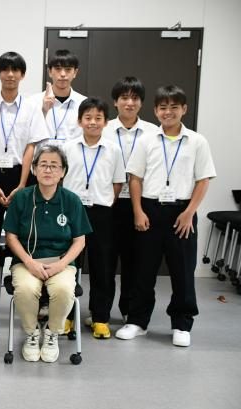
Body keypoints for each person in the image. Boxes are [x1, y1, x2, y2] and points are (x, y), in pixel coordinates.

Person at [116, 85, 216, 347]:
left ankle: (182, 324)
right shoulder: (146, 140)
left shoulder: (197, 141)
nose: (168, 112)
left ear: (184, 109)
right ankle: (137, 321)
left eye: (174, 107)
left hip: (182, 212)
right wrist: (138, 211)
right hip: (150, 210)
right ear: (155, 110)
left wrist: (189, 212)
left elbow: (203, 179)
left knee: (183, 271)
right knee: (142, 270)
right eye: (163, 107)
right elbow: (135, 178)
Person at [0, 51, 49, 328]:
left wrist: (22, 184)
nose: (10, 74)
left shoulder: (32, 107)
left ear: (22, 75)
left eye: (15, 70)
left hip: (22, 177)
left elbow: (31, 147)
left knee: (30, 241)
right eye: (5, 69)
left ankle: (34, 303)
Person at [4, 144, 91, 362]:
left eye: (54, 166)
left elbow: (79, 241)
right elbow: (11, 236)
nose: (48, 170)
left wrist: (61, 265)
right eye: (43, 164)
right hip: (26, 262)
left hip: (61, 263)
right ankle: (32, 333)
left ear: (63, 172)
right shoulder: (22, 198)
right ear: (34, 169)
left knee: (63, 289)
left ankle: (52, 333)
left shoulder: (71, 200)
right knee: (26, 289)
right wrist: (29, 262)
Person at [63, 97, 125, 339]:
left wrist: (105, 201)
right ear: (79, 121)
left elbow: (117, 183)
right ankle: (66, 316)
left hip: (102, 213)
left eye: (98, 118)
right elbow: (60, 179)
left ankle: (100, 318)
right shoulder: (68, 148)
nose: (93, 122)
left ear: (106, 122)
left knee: (103, 266)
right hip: (72, 212)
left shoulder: (114, 150)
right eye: (87, 117)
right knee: (68, 266)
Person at [103, 77, 158, 323]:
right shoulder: (103, 128)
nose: (129, 103)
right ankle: (101, 311)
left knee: (135, 260)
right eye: (124, 98)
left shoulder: (153, 132)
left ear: (141, 103)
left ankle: (128, 309)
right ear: (115, 102)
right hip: (109, 202)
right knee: (105, 260)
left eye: (135, 98)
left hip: (140, 204)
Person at [28, 49, 86, 146]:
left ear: (75, 73)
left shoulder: (84, 103)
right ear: (50, 72)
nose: (63, 74)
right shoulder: (33, 101)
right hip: (42, 155)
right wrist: (43, 111)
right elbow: (28, 135)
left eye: (68, 69)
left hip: (73, 155)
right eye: (58, 69)